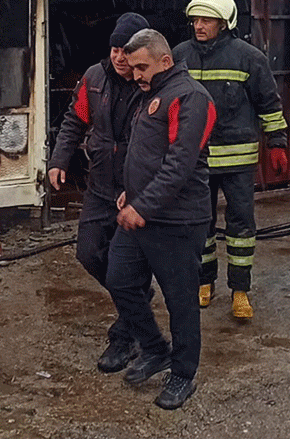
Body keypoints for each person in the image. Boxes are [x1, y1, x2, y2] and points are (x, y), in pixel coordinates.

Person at [107, 28, 215, 410]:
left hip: (177, 220)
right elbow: (145, 154)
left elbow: (179, 164)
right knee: (118, 279)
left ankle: (183, 374)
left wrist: (142, 206)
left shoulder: (190, 98)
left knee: (181, 301)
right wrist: (129, 193)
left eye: (142, 66)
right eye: (133, 67)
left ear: (165, 61)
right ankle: (154, 348)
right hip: (140, 213)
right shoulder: (150, 94)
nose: (135, 74)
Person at [172, 0, 288, 321]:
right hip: (196, 160)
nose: (199, 25)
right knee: (199, 225)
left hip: (237, 160)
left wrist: (277, 143)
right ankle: (203, 283)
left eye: (207, 19)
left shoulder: (249, 57)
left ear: (225, 22)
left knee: (240, 227)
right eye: (196, 19)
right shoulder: (180, 55)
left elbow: (269, 104)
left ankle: (240, 291)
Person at [47, 12, 150, 373]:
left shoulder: (150, 82)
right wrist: (58, 160)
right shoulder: (93, 78)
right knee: (89, 254)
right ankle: (136, 304)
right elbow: (74, 121)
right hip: (100, 187)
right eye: (115, 49)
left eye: (127, 50)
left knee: (127, 267)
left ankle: (126, 335)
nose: (120, 58)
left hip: (136, 192)